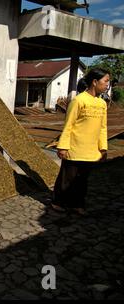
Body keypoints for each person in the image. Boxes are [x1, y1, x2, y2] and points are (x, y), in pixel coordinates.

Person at [51, 68, 110, 215]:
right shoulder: (78, 100)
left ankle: (77, 204)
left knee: (82, 180)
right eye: (106, 81)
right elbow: (68, 125)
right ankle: (58, 202)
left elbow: (103, 128)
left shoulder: (102, 104)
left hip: (91, 151)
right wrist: (63, 147)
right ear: (95, 82)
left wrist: (103, 148)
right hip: (74, 148)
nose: (107, 85)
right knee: (67, 179)